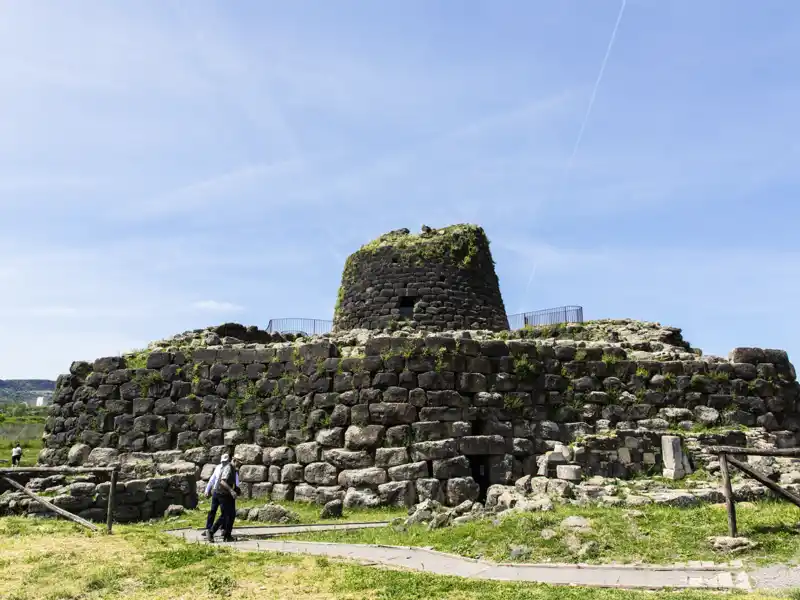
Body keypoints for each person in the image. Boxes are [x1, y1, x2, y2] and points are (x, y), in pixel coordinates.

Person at [203, 454, 241, 538]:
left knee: (231, 514)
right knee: (225, 515)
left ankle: (227, 535)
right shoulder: (228, 468)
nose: (240, 465)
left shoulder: (234, 469)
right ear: (234, 460)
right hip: (222, 493)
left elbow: (234, 482)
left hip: (226, 494)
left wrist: (236, 490)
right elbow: (222, 482)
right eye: (239, 463)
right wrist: (231, 491)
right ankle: (211, 531)